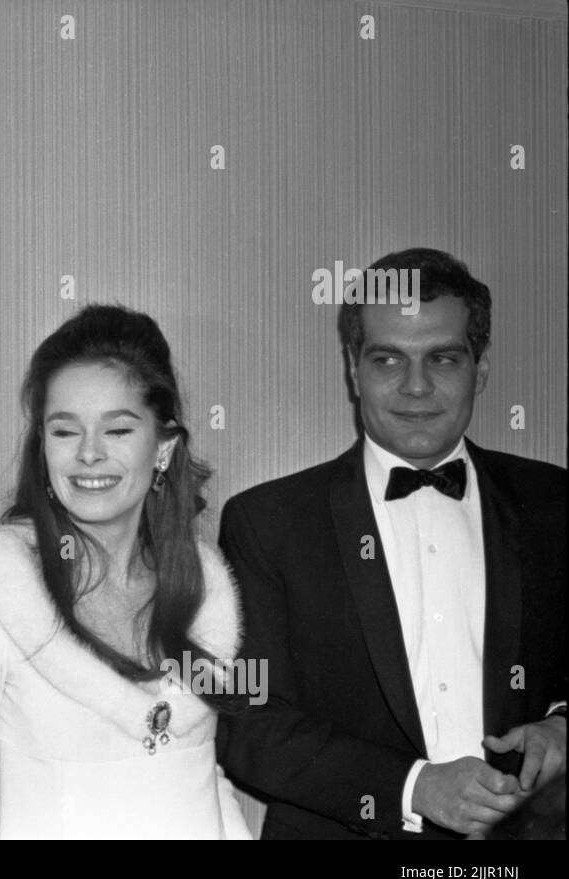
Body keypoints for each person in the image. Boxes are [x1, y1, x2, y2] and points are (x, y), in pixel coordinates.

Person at [217, 248, 566, 839]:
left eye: (444, 358)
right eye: (387, 360)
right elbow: (251, 726)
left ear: (480, 369)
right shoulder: (267, 523)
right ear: (353, 371)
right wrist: (411, 786)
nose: (416, 386)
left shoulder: (554, 504)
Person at [0, 304, 252, 839]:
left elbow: (200, 772)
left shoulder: (204, 589)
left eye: (118, 429)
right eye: (64, 431)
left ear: (164, 446)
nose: (88, 454)